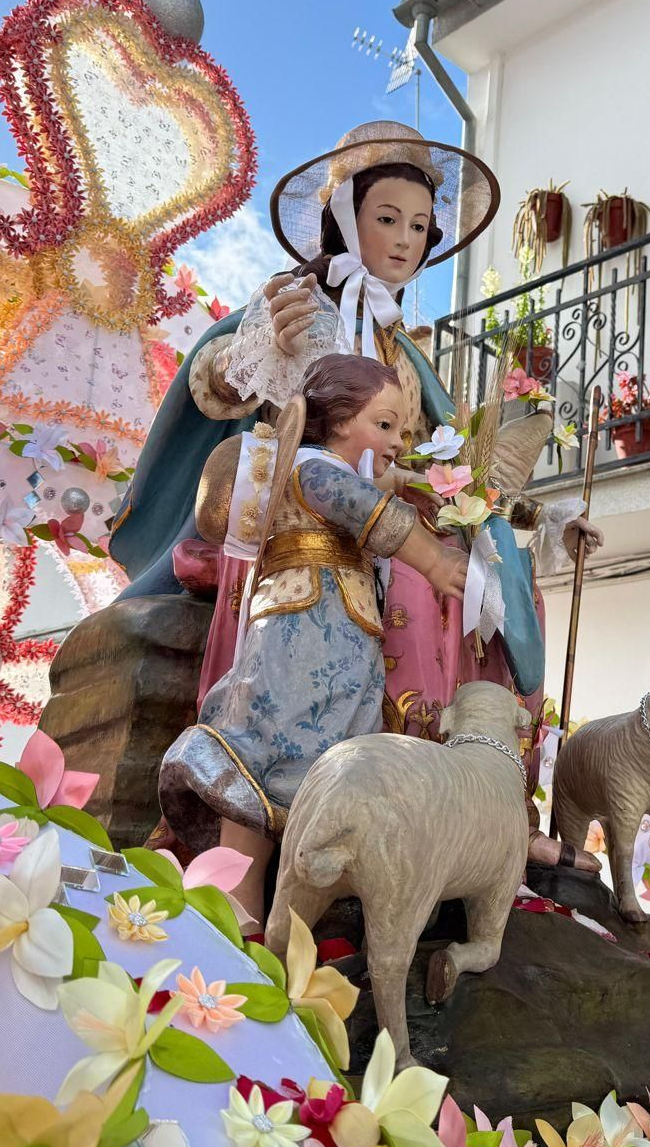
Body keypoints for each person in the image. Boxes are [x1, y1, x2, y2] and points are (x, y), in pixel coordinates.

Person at [115, 121, 602, 901]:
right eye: (387, 219)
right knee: (425, 583)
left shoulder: (403, 345)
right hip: (304, 527)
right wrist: (262, 351)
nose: (405, 240)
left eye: (419, 226)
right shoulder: (297, 306)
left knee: (503, 584)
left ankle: (484, 808)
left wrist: (528, 527)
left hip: (385, 519)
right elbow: (218, 379)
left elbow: (445, 459)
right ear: (347, 217)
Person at [160, 354, 469, 920]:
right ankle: (237, 904)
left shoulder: (337, 472)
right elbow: (366, 510)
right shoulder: (312, 468)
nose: (398, 441)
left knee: (329, 750)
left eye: (402, 430)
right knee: (276, 744)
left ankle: (284, 912)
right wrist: (432, 560)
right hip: (300, 632)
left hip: (343, 634)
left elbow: (376, 494)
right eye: (385, 424)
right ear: (341, 420)